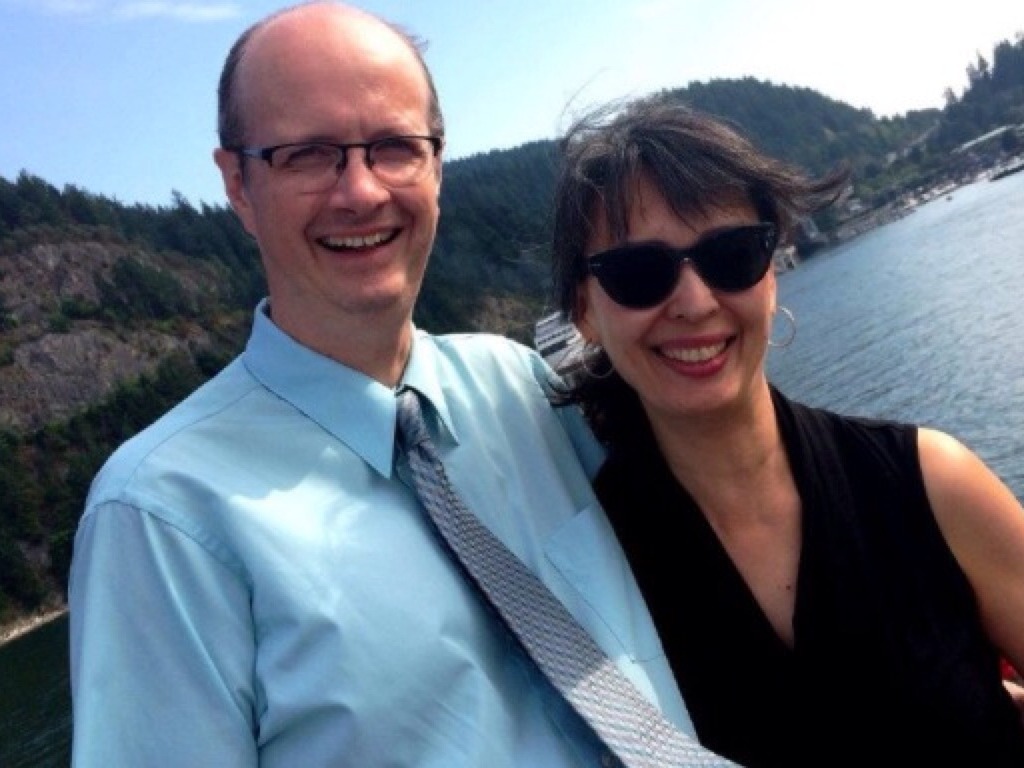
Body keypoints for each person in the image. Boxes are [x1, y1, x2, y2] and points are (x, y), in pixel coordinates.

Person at [67, 4, 700, 766]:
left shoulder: (520, 385)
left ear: (436, 166)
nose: (361, 192)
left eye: (395, 147)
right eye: (308, 155)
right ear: (237, 184)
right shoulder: (160, 519)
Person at [548, 94, 1024, 767]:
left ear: (771, 272)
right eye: (638, 274)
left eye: (731, 255)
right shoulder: (592, 580)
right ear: (585, 312)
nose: (694, 302)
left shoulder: (929, 483)